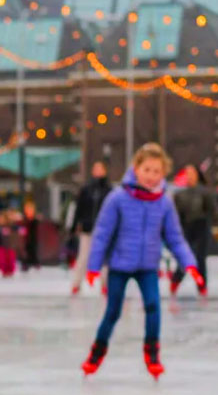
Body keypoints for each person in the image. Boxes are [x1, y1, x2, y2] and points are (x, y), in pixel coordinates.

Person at [81, 143, 201, 380]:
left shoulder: (164, 202)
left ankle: (152, 355)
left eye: (156, 171)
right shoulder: (118, 198)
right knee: (113, 312)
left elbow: (175, 237)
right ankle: (96, 354)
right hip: (119, 265)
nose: (151, 176)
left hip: (147, 266)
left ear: (163, 173)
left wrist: (190, 263)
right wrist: (93, 267)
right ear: (136, 169)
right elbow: (102, 233)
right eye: (147, 170)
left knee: (153, 307)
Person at [168, 165, 218, 297]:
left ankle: (201, 285)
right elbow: (174, 214)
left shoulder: (204, 192)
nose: (189, 176)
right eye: (187, 173)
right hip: (185, 228)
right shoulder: (179, 193)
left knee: (200, 258)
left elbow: (214, 211)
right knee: (184, 257)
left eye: (192, 173)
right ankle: (175, 281)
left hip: (201, 227)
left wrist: (216, 228)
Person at [69, 162, 113, 296]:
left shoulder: (109, 190)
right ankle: (76, 284)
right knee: (83, 256)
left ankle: (105, 285)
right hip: (87, 229)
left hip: (104, 230)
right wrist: (75, 226)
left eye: (100, 169)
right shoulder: (86, 189)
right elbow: (79, 208)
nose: (98, 171)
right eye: (96, 169)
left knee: (104, 257)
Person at [20, 196, 41, 272]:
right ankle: (26, 264)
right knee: (26, 251)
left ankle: (34, 263)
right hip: (25, 239)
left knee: (33, 250)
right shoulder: (24, 220)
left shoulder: (35, 220)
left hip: (32, 238)